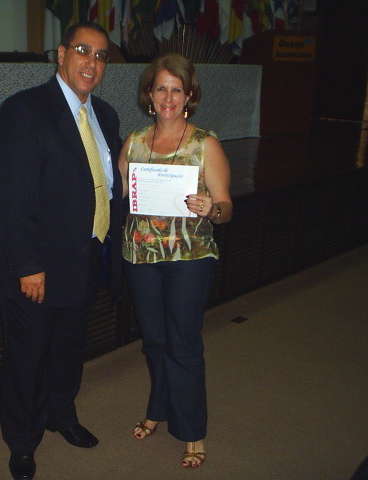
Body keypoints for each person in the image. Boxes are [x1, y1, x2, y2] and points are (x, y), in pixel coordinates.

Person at [0, 22, 123, 480]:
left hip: (86, 256)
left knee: (69, 347)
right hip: (38, 267)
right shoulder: (24, 110)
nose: (92, 62)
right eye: (83, 50)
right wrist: (28, 265)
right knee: (28, 357)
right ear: (61, 54)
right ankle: (22, 442)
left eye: (101, 55)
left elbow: (107, 183)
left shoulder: (106, 115)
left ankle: (60, 414)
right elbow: (11, 197)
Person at [118, 53, 233, 469]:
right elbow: (120, 195)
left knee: (182, 343)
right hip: (140, 255)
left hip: (190, 257)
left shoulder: (205, 144)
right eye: (161, 88)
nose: (168, 97)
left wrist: (211, 208)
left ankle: (192, 430)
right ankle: (158, 407)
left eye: (176, 90)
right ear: (149, 95)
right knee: (154, 341)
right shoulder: (134, 142)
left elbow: (226, 207)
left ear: (189, 96)